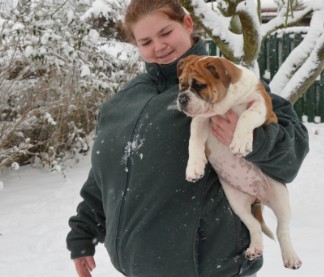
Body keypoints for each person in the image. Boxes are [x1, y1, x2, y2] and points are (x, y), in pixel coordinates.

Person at [66, 0, 310, 276]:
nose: (158, 47)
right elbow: (105, 176)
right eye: (145, 41)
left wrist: (255, 138)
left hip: (211, 266)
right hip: (138, 268)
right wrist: (83, 234)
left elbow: (294, 151)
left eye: (166, 33)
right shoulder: (122, 102)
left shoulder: (226, 83)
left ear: (188, 24)